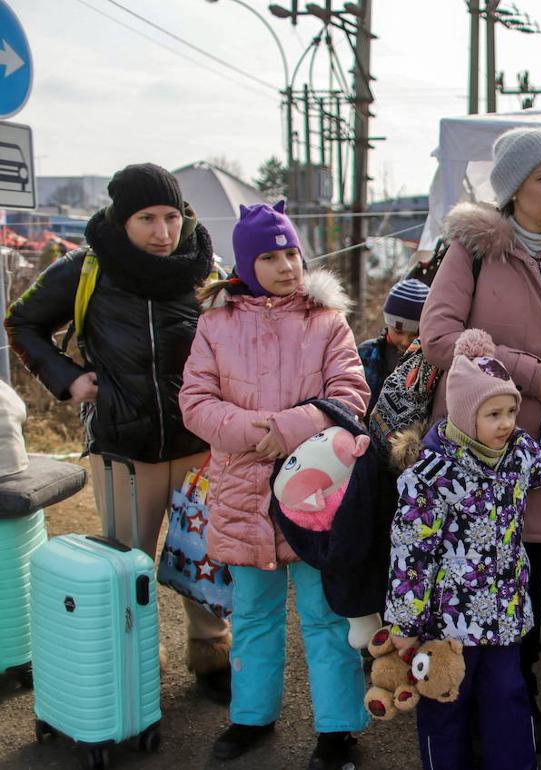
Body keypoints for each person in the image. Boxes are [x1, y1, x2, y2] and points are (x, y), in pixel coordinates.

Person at [418, 126, 541, 752]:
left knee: (525, 584)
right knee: (461, 583)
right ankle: (460, 705)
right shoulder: (471, 250)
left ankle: (519, 703)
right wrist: (530, 372)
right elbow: (438, 339)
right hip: (475, 455)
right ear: (513, 188)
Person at [4, 162, 232, 701]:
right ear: (120, 219)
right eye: (147, 218)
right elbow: (21, 321)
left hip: (198, 443)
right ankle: (134, 664)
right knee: (126, 563)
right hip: (122, 448)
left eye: (171, 216)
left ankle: (212, 653)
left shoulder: (204, 268)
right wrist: (67, 378)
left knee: (201, 554)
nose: (162, 232)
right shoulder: (87, 268)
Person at [180, 201, 370, 769]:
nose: (287, 264)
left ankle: (338, 730)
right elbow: (194, 401)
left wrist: (287, 429)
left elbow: (351, 392)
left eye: (291, 251)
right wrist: (250, 431)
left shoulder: (327, 320)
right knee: (255, 614)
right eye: (270, 255)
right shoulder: (214, 323)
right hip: (241, 491)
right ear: (245, 262)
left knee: (325, 615)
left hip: (316, 491)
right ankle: (250, 717)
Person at [386, 329, 541, 770]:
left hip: (504, 617)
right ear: (465, 414)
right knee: (444, 704)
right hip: (446, 625)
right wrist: (404, 623)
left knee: (509, 697)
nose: (507, 422)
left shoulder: (516, 454)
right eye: (494, 413)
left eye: (511, 410)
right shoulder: (431, 475)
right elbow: (410, 557)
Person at [358, 277, 430, 416]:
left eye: (415, 334)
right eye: (398, 331)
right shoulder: (365, 353)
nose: (405, 341)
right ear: (388, 323)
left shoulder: (428, 363)